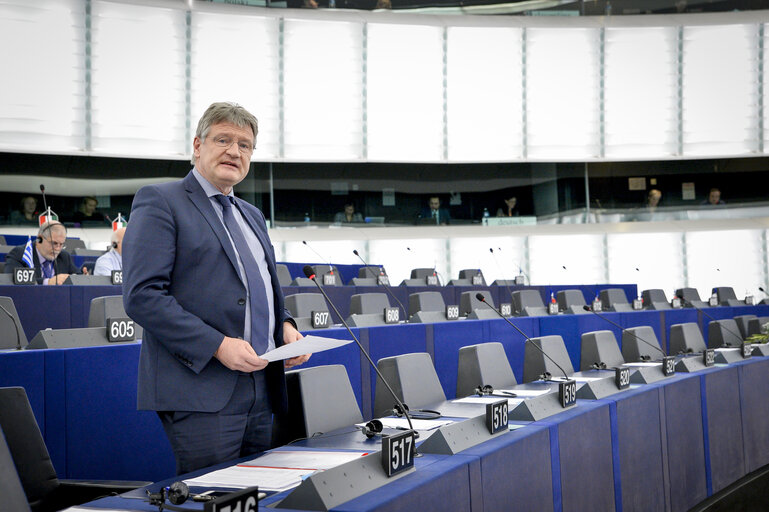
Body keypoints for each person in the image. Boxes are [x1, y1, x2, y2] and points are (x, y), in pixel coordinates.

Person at [122, 102, 310, 475]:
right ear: (197, 145)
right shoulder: (161, 201)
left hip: (262, 385)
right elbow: (142, 296)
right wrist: (218, 346)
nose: (234, 151)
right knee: (213, 498)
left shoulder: (251, 214)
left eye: (245, 145)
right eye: (223, 139)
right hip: (202, 389)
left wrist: (285, 325)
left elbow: (262, 289)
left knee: (254, 496)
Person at [3, 221, 86, 284]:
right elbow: (11, 279)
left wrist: (83, 277)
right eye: (54, 243)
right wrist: (48, 282)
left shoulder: (64, 256)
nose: (57, 248)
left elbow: (76, 275)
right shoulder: (21, 254)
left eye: (61, 244)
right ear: (40, 239)